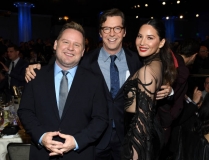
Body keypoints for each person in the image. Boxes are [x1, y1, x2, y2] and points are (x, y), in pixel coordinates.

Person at [24, 8, 172, 160]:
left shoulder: (137, 60)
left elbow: (154, 81)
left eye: (117, 28)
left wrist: (169, 91)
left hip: (127, 137)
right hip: (94, 141)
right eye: (106, 29)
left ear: (124, 32)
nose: (112, 34)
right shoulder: (85, 60)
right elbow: (60, 65)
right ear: (100, 33)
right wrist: (36, 67)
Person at [17, 21, 109, 160]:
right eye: (66, 42)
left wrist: (77, 141)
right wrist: (41, 136)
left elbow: (101, 119)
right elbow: (25, 111)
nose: (70, 48)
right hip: (42, 155)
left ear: (83, 51)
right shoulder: (36, 75)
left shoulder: (94, 81)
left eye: (77, 45)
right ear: (55, 44)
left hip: (80, 155)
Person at [122, 19, 177, 160]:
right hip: (149, 132)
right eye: (140, 36)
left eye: (150, 38)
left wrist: (135, 155)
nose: (142, 42)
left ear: (162, 42)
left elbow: (142, 123)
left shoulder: (147, 71)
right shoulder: (158, 62)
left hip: (138, 138)